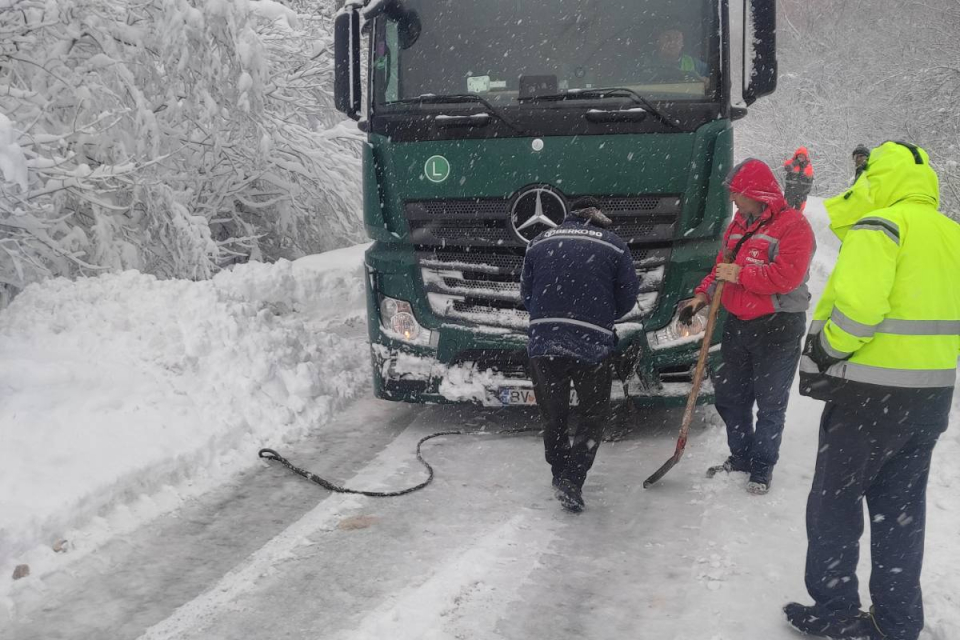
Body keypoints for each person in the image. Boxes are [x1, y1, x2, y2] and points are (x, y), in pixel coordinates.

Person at [784, 141, 960, 640]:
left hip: (866, 396)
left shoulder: (881, 226)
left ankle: (836, 612)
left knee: (834, 508)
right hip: (930, 400)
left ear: (880, 180)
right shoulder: (953, 234)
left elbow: (859, 313)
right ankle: (898, 621)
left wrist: (824, 349)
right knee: (900, 517)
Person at [682, 159, 815, 494]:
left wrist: (741, 275)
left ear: (756, 193)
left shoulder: (793, 226)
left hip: (778, 326)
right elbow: (720, 268)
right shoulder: (738, 224)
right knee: (730, 397)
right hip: (738, 324)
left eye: (737, 194)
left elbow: (786, 278)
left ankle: (761, 467)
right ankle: (740, 457)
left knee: (770, 403)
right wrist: (702, 296)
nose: (733, 201)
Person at [520, 197, 640, 513]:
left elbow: (526, 295)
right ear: (598, 218)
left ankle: (560, 473)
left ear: (569, 217)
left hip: (544, 341)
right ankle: (573, 477)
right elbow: (628, 299)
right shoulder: (614, 245)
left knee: (553, 414)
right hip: (592, 343)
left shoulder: (539, 242)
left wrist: (552, 318)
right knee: (593, 414)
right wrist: (599, 314)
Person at [783, 147, 815, 213]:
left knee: (799, 213)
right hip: (790, 192)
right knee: (786, 212)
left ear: (805, 157)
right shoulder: (792, 162)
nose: (801, 157)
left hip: (802, 194)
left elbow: (810, 181)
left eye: (803, 156)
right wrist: (795, 162)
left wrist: (805, 192)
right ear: (796, 156)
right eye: (799, 155)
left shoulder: (808, 167)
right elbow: (786, 167)